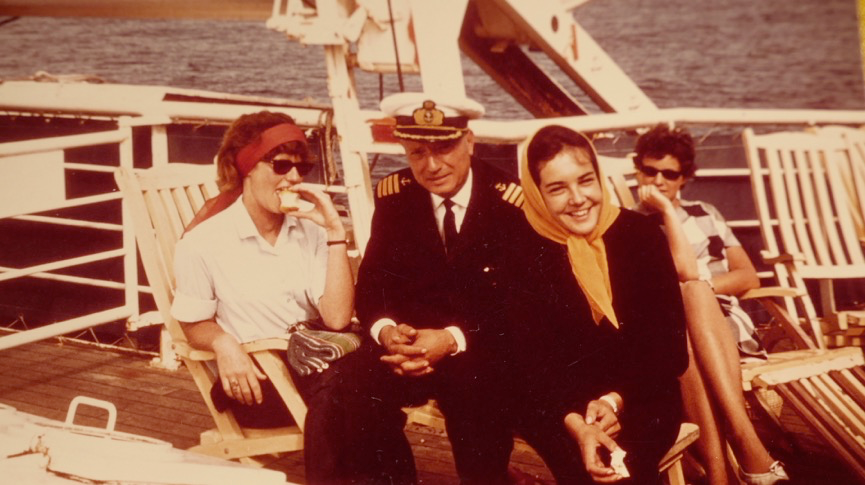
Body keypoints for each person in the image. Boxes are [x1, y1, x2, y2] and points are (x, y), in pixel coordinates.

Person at [337, 92, 541, 484]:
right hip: (409, 347)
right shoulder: (395, 196)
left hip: (480, 345)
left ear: (469, 142)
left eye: (444, 148)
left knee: (476, 389)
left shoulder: (509, 201)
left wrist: (449, 340)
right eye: (417, 152)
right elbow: (373, 284)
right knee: (353, 383)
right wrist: (386, 332)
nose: (431, 166)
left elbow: (520, 305)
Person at [170, 111, 355, 481]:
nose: (295, 178)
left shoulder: (310, 230)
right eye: (281, 165)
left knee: (368, 386)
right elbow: (192, 322)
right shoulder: (203, 243)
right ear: (246, 169)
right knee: (357, 390)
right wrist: (223, 343)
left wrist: (336, 233)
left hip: (318, 367)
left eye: (302, 167)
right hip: (260, 384)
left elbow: (336, 319)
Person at [514, 124, 688, 484]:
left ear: (599, 177)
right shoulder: (519, 250)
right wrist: (579, 424)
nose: (578, 198)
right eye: (558, 188)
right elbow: (529, 364)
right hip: (559, 407)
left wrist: (612, 402)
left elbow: (669, 353)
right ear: (537, 193)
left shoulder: (641, 236)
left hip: (638, 396)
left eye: (586, 181)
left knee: (622, 470)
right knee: (585, 468)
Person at [632, 124, 789, 485]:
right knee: (682, 315)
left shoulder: (706, 213)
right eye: (650, 171)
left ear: (685, 177)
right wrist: (665, 213)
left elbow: (747, 276)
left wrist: (701, 288)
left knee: (693, 293)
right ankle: (746, 449)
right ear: (637, 170)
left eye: (669, 174)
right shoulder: (631, 223)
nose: (658, 181)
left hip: (724, 324)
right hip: (671, 329)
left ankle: (722, 469)